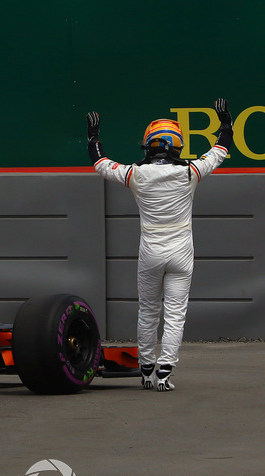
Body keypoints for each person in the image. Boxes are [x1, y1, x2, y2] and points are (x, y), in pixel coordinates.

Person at [86, 99, 233, 391]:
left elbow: (101, 165)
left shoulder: (135, 174)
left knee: (148, 310)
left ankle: (146, 371)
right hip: (182, 253)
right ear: (176, 145)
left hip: (150, 253)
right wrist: (226, 123)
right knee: (176, 312)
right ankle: (165, 372)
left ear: (149, 144)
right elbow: (220, 151)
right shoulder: (191, 172)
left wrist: (93, 139)